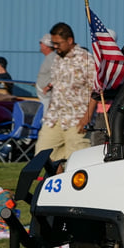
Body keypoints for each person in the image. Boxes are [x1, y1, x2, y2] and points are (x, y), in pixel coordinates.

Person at [32, 22, 96, 164]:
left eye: (58, 43)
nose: (55, 47)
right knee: (41, 158)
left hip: (77, 120)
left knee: (76, 163)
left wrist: (87, 116)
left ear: (69, 40)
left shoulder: (85, 59)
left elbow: (96, 90)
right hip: (54, 119)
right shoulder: (57, 59)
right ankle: (54, 177)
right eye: (53, 43)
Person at [35, 33, 57, 111]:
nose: (40, 45)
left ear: (47, 46)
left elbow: (58, 74)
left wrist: (48, 87)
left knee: (46, 117)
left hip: (47, 97)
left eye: (41, 43)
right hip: (44, 97)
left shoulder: (52, 58)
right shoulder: (49, 58)